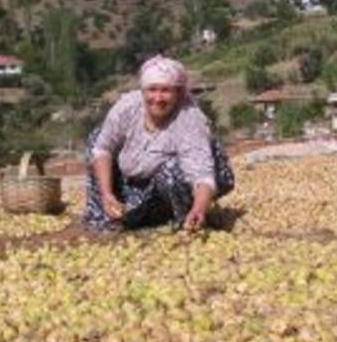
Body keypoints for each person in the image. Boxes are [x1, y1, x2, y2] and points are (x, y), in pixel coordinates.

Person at [84, 55, 234, 232]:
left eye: (165, 91)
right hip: (133, 184)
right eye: (152, 90)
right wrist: (107, 194)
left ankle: (186, 218)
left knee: (172, 169)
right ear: (143, 91)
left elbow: (202, 176)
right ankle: (107, 212)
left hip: (165, 187)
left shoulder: (189, 119)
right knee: (96, 138)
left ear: (178, 93)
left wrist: (199, 208)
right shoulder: (127, 107)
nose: (158, 98)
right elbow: (103, 148)